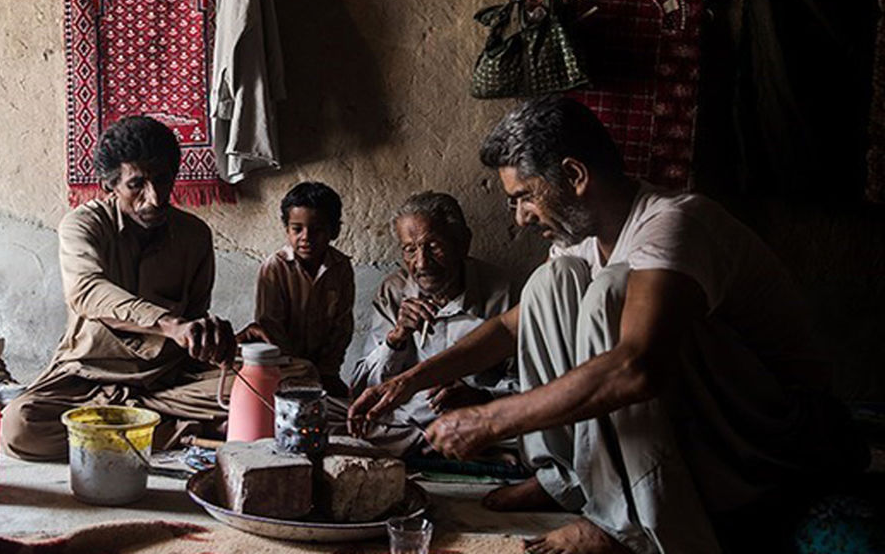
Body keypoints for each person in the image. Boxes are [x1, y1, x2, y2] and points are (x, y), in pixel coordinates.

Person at [349, 97, 866, 554]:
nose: (521, 217)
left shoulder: (673, 224)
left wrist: (492, 420)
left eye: (526, 196)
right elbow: (511, 328)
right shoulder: (583, 242)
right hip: (710, 424)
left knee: (610, 294)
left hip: (773, 434)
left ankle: (626, 527)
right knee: (551, 284)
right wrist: (409, 380)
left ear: (575, 176)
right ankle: (568, 483)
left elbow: (637, 367)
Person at [2, 116, 240, 461]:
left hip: (168, 380)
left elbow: (195, 318)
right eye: (137, 185)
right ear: (109, 185)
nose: (155, 198)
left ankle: (140, 420)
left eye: (163, 180)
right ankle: (180, 429)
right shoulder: (83, 225)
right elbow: (85, 290)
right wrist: (169, 324)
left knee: (277, 385)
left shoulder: (195, 236)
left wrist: (209, 340)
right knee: (20, 427)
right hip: (89, 378)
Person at [349, 191, 516, 457]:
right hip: (404, 425)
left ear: (463, 244)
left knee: (544, 431)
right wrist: (396, 338)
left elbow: (533, 386)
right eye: (410, 249)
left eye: (434, 246)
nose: (422, 262)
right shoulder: (394, 291)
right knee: (323, 418)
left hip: (473, 424)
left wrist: (481, 396)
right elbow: (361, 387)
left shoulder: (502, 292)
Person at [237, 181, 356, 398]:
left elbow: (342, 326)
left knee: (343, 405)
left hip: (323, 369)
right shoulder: (275, 267)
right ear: (287, 230)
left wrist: (328, 371)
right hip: (282, 365)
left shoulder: (341, 267)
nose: (306, 237)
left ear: (335, 230)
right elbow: (270, 327)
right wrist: (301, 372)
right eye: (297, 229)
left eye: (317, 229)